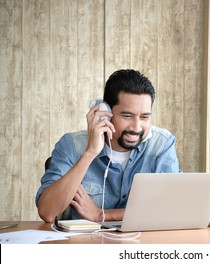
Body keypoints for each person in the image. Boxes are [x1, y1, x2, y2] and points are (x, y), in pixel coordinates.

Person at [36, 69, 181, 223]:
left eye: (144, 117)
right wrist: (90, 152)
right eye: (127, 116)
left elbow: (170, 208)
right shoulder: (72, 146)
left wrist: (101, 215)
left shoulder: (161, 145)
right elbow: (47, 212)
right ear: (106, 113)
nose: (136, 127)